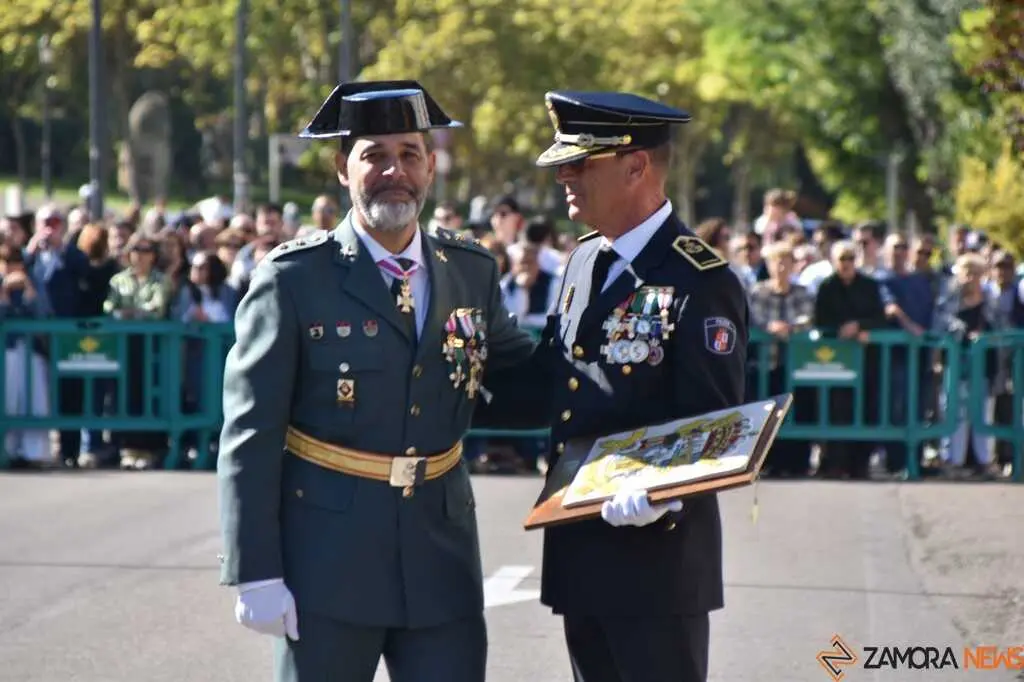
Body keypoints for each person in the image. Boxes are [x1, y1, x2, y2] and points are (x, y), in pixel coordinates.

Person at [217, 80, 536, 682]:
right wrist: (255, 568)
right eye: (375, 156)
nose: (395, 170)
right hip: (328, 561)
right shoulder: (293, 279)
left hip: (441, 559)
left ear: (432, 166)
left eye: (410, 154)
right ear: (343, 168)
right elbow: (250, 432)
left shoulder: (469, 272)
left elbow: (528, 385)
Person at [475, 91, 749, 682]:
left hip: (657, 551)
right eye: (564, 163)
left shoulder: (698, 278)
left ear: (636, 166)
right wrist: (459, 376)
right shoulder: (582, 263)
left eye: (582, 163)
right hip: (584, 543)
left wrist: (664, 493)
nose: (564, 176)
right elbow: (558, 381)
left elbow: (715, 417)